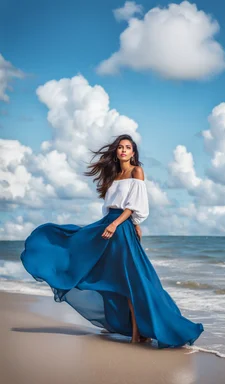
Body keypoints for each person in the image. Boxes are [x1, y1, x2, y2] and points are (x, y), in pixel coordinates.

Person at [20, 133, 204, 347]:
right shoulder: (114, 176)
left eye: (128, 147)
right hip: (109, 224)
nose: (123, 150)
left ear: (133, 152)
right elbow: (112, 206)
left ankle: (141, 333)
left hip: (120, 227)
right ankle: (137, 333)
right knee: (113, 276)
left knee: (134, 282)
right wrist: (115, 223)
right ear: (116, 152)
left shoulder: (137, 171)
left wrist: (127, 223)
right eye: (120, 147)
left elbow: (134, 204)